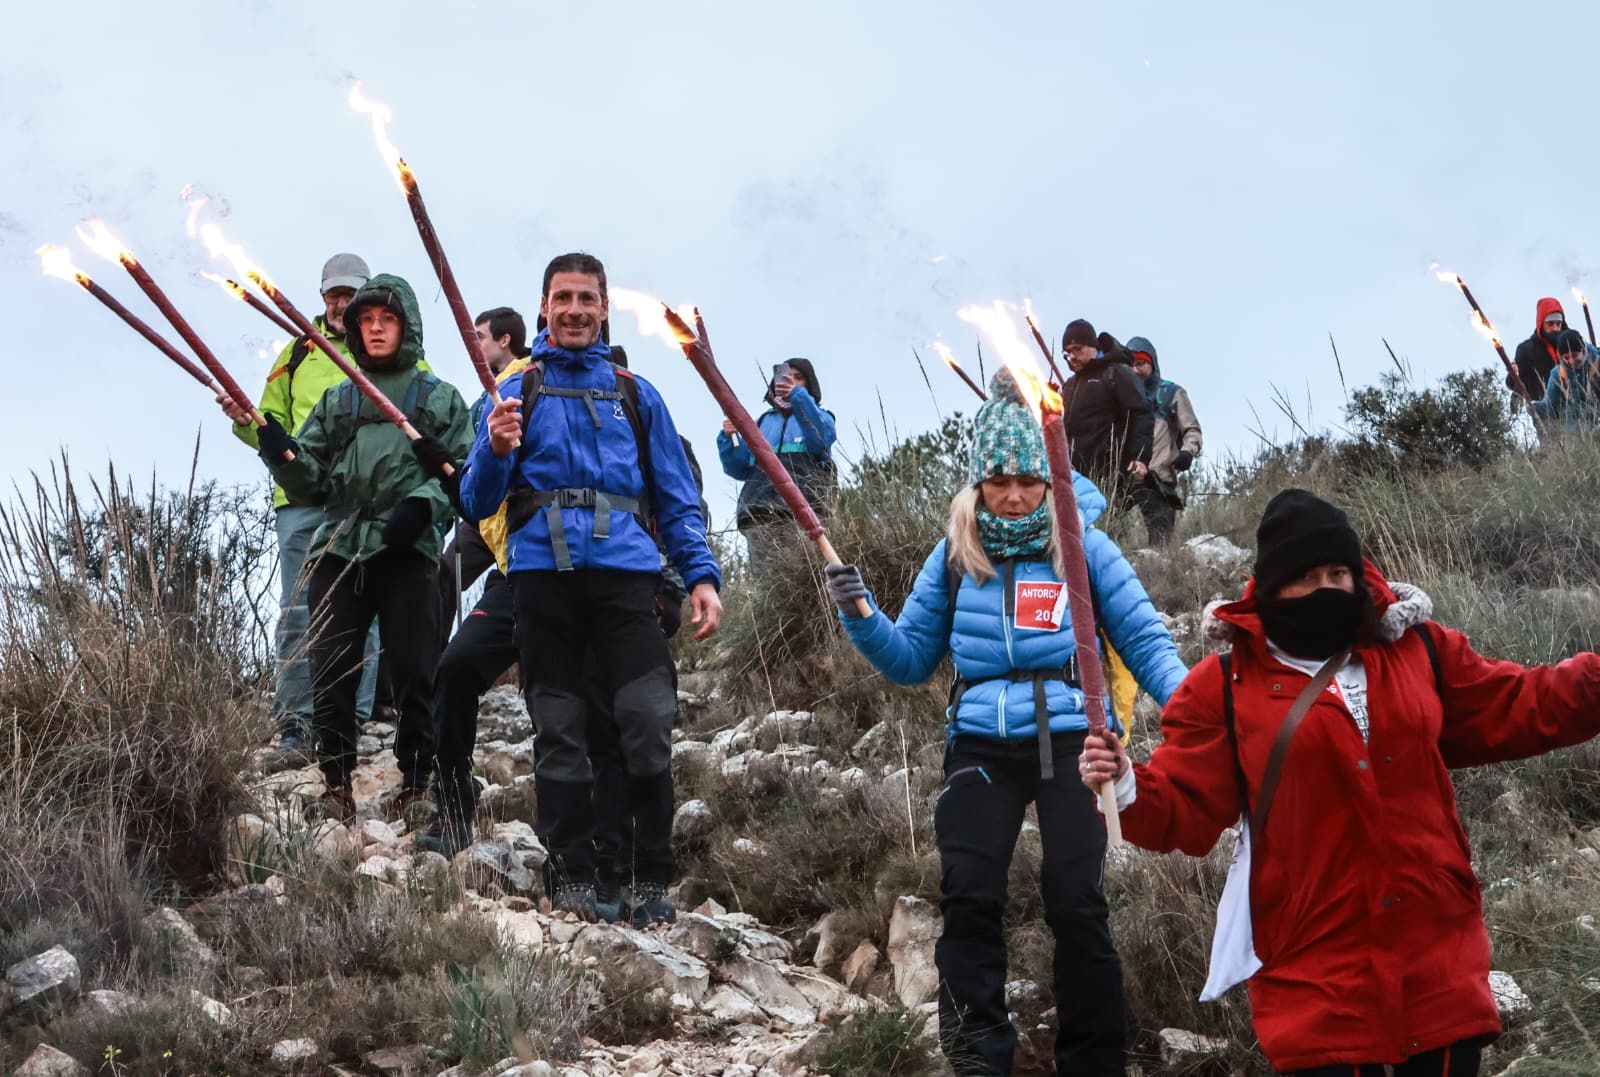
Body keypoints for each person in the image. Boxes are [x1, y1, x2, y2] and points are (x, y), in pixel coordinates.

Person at [1080, 489, 1600, 1076]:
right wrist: (1125, 783)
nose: (1325, 588)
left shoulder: (1418, 652)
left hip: (1436, 962)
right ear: (1271, 588)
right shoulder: (1223, 687)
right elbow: (1184, 806)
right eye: (1305, 577)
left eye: (1337, 573)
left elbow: (1524, 702)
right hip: (1316, 978)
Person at [822, 368, 1187, 1076]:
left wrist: (1194, 714)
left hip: (1077, 739)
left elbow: (1147, 642)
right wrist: (860, 613)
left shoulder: (1084, 545)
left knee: (1077, 902)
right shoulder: (955, 554)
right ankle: (976, 1060)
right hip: (980, 745)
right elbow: (910, 659)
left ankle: (1093, 1064)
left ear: (1049, 479)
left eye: (1027, 479)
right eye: (998, 481)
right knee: (968, 896)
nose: (1014, 494)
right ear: (977, 482)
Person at [460, 252, 723, 925]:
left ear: (604, 308)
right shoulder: (514, 391)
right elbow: (477, 500)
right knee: (561, 728)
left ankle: (644, 876)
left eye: (587, 298)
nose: (575, 310)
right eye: (563, 298)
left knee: (645, 718)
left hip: (627, 579)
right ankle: (573, 875)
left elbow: (678, 499)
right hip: (542, 580)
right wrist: (495, 449)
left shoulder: (637, 393)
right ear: (543, 307)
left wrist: (700, 576)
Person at [239, 273, 473, 821]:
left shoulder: (438, 398)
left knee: (415, 668)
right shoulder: (339, 397)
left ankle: (417, 780)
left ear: (407, 327)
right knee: (332, 667)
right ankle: (336, 783)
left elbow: (461, 471)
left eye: (386, 319)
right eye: (366, 320)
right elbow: (311, 480)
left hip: (408, 549)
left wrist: (421, 507)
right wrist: (280, 452)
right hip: (340, 548)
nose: (375, 328)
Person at [221, 253, 387, 767]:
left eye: (350, 294)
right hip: (300, 501)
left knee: (363, 608)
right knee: (297, 612)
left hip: (362, 499)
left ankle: (353, 721)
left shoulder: (386, 345)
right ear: (322, 298)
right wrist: (245, 419)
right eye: (334, 295)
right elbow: (267, 425)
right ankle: (295, 724)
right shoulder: (296, 352)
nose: (341, 304)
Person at [437, 306, 536, 634]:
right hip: (483, 514)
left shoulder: (531, 382)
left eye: (479, 338)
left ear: (504, 340)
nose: (473, 347)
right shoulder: (484, 396)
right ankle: (431, 656)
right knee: (445, 576)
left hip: (519, 511)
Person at [716, 358, 836, 568]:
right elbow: (738, 468)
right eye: (786, 376)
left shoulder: (822, 416)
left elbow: (820, 440)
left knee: (804, 576)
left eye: (798, 378)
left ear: (809, 385)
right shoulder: (761, 423)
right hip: (759, 512)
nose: (792, 381)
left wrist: (798, 397)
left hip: (803, 513)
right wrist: (728, 438)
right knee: (766, 580)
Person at [1060, 319, 1153, 514]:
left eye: (1077, 349)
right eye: (1067, 352)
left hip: (1109, 476)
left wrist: (1139, 458)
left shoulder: (1117, 373)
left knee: (1106, 525)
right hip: (1075, 477)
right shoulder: (1070, 385)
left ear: (1093, 347)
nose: (1072, 357)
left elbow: (1141, 414)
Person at [1126, 335, 1202, 542]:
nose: (1135, 370)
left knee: (1160, 545)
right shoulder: (1121, 395)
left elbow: (1192, 429)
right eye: (1131, 364)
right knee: (1112, 539)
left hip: (1158, 479)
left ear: (1152, 363)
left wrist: (1187, 452)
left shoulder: (1171, 393)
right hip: (1125, 479)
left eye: (1140, 363)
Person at [1532, 328, 1600, 432]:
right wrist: (1535, 407)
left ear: (1583, 350)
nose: (1571, 361)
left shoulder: (1597, 364)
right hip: (1574, 432)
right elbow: (1551, 407)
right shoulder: (1557, 374)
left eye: (1575, 355)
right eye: (1566, 358)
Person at [1510, 297, 1567, 402]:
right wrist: (1513, 374)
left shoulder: (1569, 345)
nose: (1555, 328)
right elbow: (1514, 384)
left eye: (1558, 324)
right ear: (1541, 323)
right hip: (1540, 408)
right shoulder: (1526, 350)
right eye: (1550, 324)